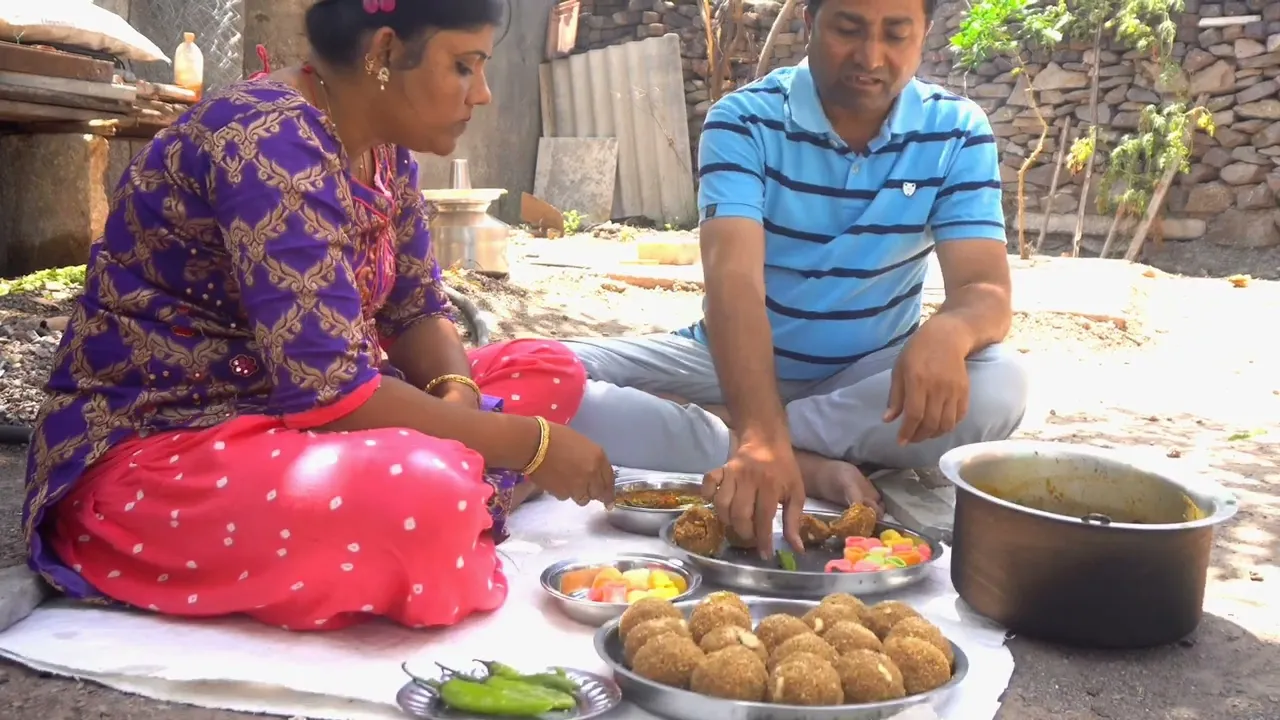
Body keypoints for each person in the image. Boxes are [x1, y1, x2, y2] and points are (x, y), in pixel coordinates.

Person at [22, 0, 616, 633]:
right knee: (427, 504)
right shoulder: (267, 141)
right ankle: (457, 503)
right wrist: (527, 444)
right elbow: (335, 394)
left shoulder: (387, 155)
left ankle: (463, 489)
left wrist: (458, 398)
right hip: (166, 452)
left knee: (548, 368)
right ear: (386, 53)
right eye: (465, 66)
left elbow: (417, 311)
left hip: (301, 417)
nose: (485, 95)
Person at [565, 0, 1027, 555]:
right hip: (727, 363)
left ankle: (727, 436)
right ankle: (788, 454)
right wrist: (760, 432)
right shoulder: (744, 120)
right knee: (536, 373)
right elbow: (733, 285)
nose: (870, 56)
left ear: (924, 34)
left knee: (1003, 384)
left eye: (896, 33)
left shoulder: (956, 131)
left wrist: (948, 333)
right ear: (810, 24)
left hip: (865, 386)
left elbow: (986, 291)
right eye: (848, 29)